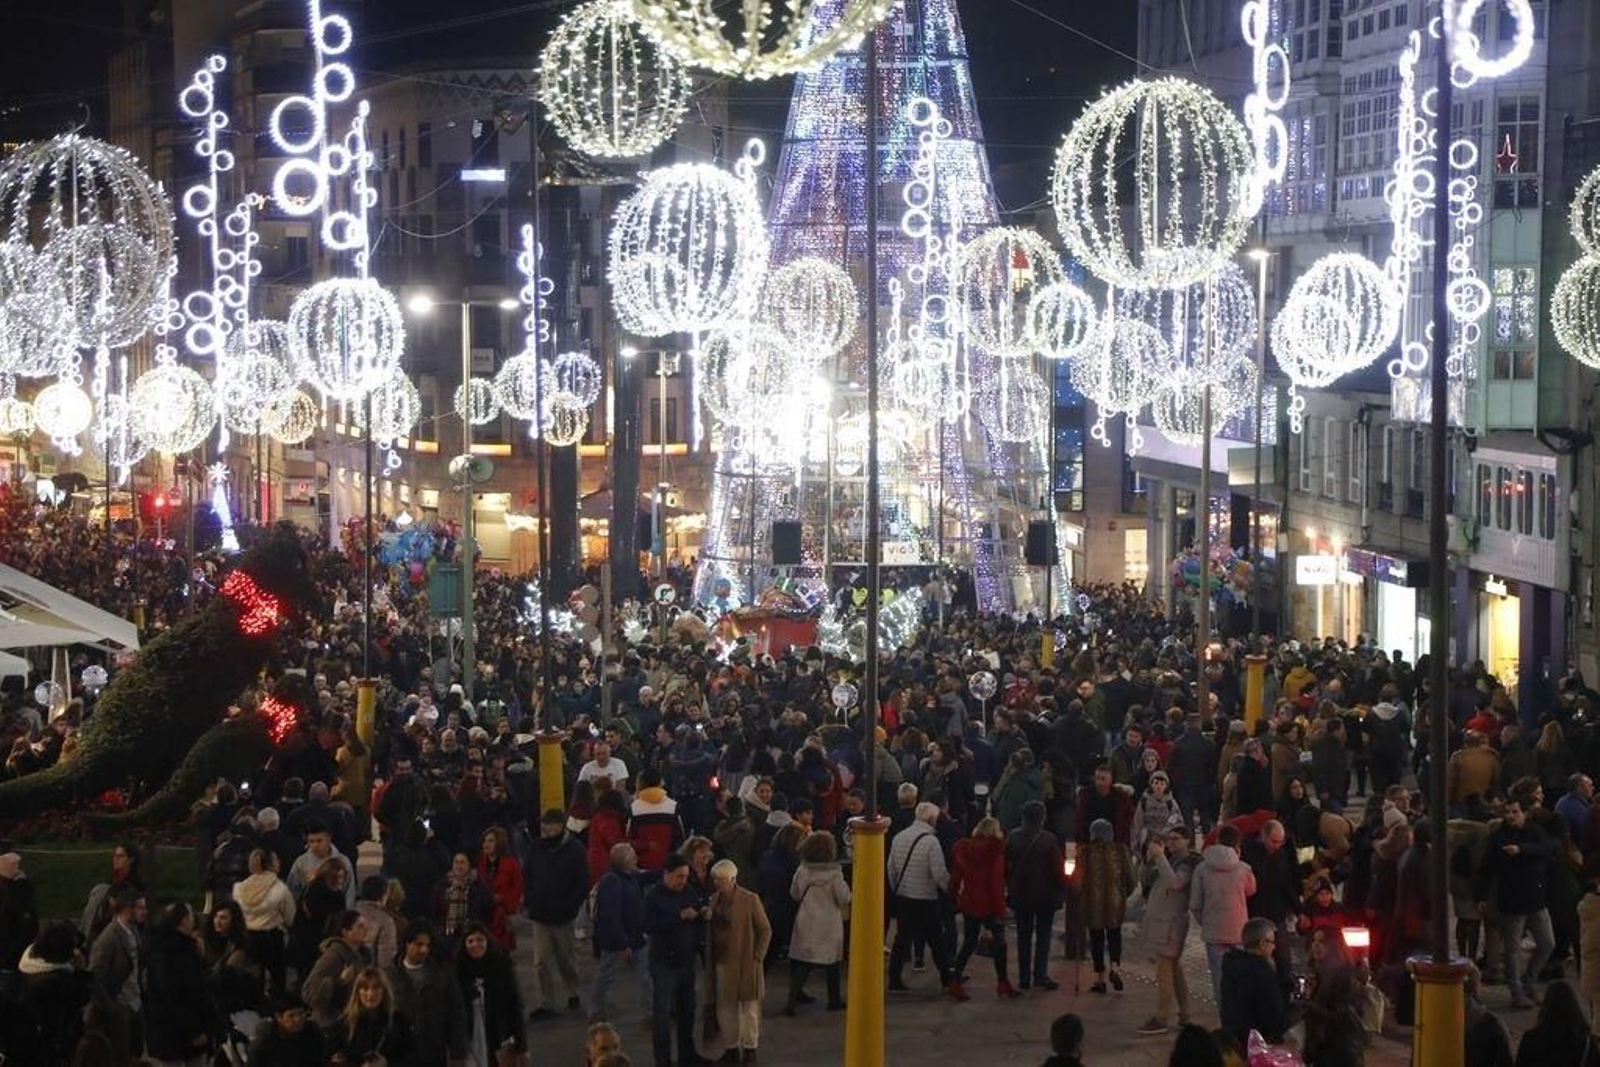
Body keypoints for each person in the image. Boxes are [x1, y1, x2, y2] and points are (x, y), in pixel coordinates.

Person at [1474, 797, 1555, 1009]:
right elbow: (1486, 869)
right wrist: (1481, 896)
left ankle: (1529, 980)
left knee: (1547, 943)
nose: (1511, 816)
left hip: (1536, 898)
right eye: (1507, 812)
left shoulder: (1534, 832)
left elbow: (1547, 849)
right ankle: (1516, 992)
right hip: (1512, 900)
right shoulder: (1498, 837)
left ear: (1524, 813)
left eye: (1515, 812)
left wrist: (1522, 849)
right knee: (1512, 950)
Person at [888, 801, 966, 999]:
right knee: (936, 939)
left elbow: (891, 868)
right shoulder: (931, 842)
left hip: (904, 895)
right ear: (932, 820)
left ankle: (894, 979)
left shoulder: (899, 837)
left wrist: (897, 887)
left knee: (901, 939)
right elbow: (939, 874)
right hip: (925, 898)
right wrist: (953, 891)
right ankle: (946, 979)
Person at [643, 854, 709, 1067]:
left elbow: (696, 912)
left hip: (687, 962)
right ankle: (663, 1061)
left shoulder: (689, 891)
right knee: (662, 1015)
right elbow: (648, 925)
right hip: (664, 964)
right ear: (667, 874)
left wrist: (702, 913)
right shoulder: (653, 896)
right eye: (679, 876)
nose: (683, 880)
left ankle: (687, 1055)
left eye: (686, 876)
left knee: (688, 1010)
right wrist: (678, 916)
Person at [525, 807, 589, 1021]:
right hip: (540, 914)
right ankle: (546, 1003)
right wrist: (530, 900)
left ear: (561, 826)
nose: (548, 831)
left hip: (563, 914)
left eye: (551, 826)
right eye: (545, 826)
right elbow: (528, 874)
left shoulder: (575, 849)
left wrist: (571, 905)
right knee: (540, 962)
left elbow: (582, 881)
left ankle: (573, 991)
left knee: (565, 958)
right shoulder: (536, 848)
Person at [708, 858, 772, 1064]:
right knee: (725, 1008)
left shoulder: (750, 899)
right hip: (722, 961)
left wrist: (758, 956)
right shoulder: (713, 900)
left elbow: (765, 929)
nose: (717, 883)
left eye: (721, 879)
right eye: (715, 879)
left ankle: (750, 1048)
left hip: (746, 962)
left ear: (733, 879)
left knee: (749, 1008)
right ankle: (732, 1048)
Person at [1137, 826, 1198, 1035]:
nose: (1171, 842)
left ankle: (1161, 1017)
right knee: (1174, 970)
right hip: (1162, 922)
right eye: (1169, 839)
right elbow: (1146, 880)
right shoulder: (1170, 861)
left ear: (1188, 841)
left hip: (1171, 925)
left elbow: (1175, 883)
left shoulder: (1187, 864)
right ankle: (1185, 1014)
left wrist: (1160, 857)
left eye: (1176, 839)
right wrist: (1148, 860)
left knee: (1164, 972)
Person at [142, 902, 219, 1067]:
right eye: (191, 916)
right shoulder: (176, 951)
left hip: (171, 1029)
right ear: (184, 920)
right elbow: (177, 993)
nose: (194, 920)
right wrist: (195, 1029)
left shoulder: (164, 947)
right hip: (180, 1029)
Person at [383, 921, 469, 1064]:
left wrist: (457, 1049)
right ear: (407, 944)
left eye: (427, 945)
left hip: (433, 1050)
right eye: (419, 944)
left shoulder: (442, 974)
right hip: (399, 1052)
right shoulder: (389, 975)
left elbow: (457, 1012)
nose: (424, 950)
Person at [1190, 823, 1257, 1006]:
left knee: (1219, 978)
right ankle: (1241, 1012)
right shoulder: (1243, 868)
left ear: (1217, 841)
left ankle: (1224, 1014)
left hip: (1214, 932)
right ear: (1237, 844)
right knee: (1240, 976)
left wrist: (1205, 921)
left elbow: (1195, 904)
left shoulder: (1202, 868)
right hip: (1238, 931)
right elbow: (1252, 889)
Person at [951, 816, 1018, 999]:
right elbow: (995, 883)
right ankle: (1003, 982)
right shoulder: (996, 851)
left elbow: (956, 877)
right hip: (989, 905)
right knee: (1000, 945)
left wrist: (953, 896)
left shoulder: (964, 849)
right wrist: (1000, 909)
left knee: (968, 944)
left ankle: (955, 981)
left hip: (970, 902)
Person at [787, 830, 851, 1013]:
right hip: (829, 922)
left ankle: (792, 999)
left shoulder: (802, 870)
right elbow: (844, 898)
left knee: (805, 960)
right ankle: (834, 1000)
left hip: (807, 919)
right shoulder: (835, 874)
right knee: (832, 962)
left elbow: (795, 893)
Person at [589, 842, 651, 1025]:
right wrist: (622, 944)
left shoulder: (629, 876)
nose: (636, 859)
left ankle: (650, 1013)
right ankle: (595, 1011)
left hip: (635, 936)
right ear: (623, 861)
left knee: (645, 976)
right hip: (618, 941)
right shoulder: (612, 882)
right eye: (632, 857)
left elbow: (648, 876)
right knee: (606, 975)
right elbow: (611, 916)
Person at [1007, 799, 1066, 991]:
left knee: (1023, 937)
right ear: (1042, 818)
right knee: (1043, 936)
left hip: (1020, 894)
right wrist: (1065, 887)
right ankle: (1040, 975)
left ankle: (1024, 978)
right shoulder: (1048, 839)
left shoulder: (1013, 837)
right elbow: (1058, 869)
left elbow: (1006, 865)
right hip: (1045, 895)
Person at [15, 920, 92, 1064]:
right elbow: (82, 997)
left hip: (30, 1037)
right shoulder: (59, 980)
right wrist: (81, 970)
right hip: (54, 1043)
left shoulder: (28, 965)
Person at [456, 920, 528, 1066]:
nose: (475, 944)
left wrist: (522, 1045)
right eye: (470, 941)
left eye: (480, 940)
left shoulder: (502, 966)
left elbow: (515, 1005)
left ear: (487, 941)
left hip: (499, 1035)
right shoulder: (457, 971)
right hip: (470, 1037)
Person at [1075, 817, 1134, 995]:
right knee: (1115, 935)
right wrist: (1123, 893)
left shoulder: (1085, 852)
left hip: (1092, 903)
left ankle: (1100, 979)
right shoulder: (1121, 851)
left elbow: (1077, 881)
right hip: (1115, 902)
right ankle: (1115, 968)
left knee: (1096, 939)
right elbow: (1131, 879)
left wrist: (1078, 894)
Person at [88, 885, 146, 1064]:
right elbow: (94, 976)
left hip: (136, 1002)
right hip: (120, 1005)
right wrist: (111, 1007)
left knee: (136, 1052)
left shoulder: (134, 930)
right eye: (140, 908)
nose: (145, 912)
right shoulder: (108, 938)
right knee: (121, 1056)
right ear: (128, 909)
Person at [1242, 819, 1300, 987]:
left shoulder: (1281, 855)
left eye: (1280, 842)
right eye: (1274, 841)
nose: (1277, 846)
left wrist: (1299, 910)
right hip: (1255, 914)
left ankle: (1283, 994)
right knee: (1255, 960)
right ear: (1263, 836)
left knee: (1283, 960)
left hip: (1276, 914)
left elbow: (1287, 884)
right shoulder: (1248, 853)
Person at [1219, 917, 1292, 1048]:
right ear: (1263, 943)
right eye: (1272, 942)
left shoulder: (1232, 965)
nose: (1274, 947)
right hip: (1257, 1043)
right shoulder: (1261, 972)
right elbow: (1276, 1019)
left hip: (1233, 1039)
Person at [327, 967, 417, 1065]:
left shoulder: (398, 1020)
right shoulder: (346, 1022)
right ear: (358, 992)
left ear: (384, 991)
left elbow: (413, 1057)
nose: (370, 994)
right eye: (365, 988)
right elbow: (329, 1056)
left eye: (376, 988)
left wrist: (387, 1063)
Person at [302, 909, 371, 1032]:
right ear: (345, 932)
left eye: (365, 925)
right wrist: (339, 981)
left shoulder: (364, 954)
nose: (366, 929)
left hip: (352, 1019)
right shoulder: (334, 955)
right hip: (332, 1023)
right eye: (360, 926)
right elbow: (309, 992)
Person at [477, 825, 524, 948]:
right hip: (484, 913)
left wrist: (501, 897)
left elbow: (518, 889)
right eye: (485, 841)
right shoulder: (481, 862)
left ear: (499, 843)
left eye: (490, 841)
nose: (486, 844)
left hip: (503, 916)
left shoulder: (511, 863)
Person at [247, 991, 324, 1066]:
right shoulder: (264, 1043)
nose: (298, 1019)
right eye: (291, 1016)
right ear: (279, 1017)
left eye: (300, 1013)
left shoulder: (312, 1032)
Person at [0, 851, 39, 969]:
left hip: (11, 958)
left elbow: (29, 927)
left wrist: (9, 958)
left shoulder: (18, 893)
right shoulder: (13, 891)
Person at [354, 874, 400, 970]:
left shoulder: (349, 911)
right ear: (384, 896)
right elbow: (386, 960)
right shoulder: (385, 921)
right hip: (369, 974)